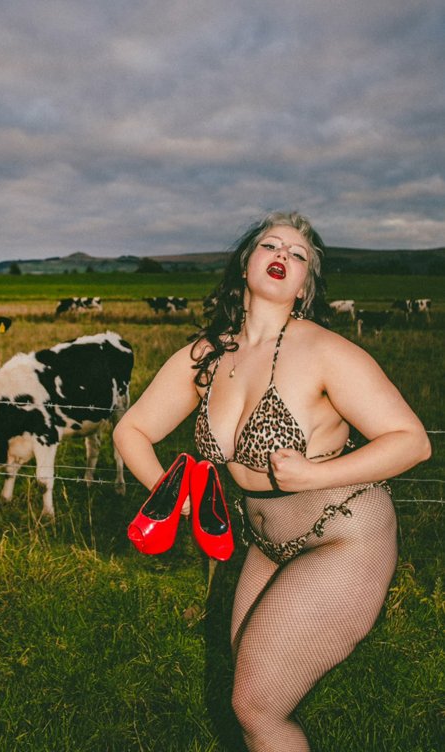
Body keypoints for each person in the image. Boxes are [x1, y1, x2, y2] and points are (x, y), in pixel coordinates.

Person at [113, 211, 431, 751]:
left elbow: (411, 440)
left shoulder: (325, 351)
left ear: (305, 286)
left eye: (298, 254)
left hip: (343, 536)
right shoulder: (208, 354)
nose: (283, 254)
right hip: (266, 543)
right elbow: (132, 430)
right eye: (270, 245)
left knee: (256, 705)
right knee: (250, 696)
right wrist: (179, 501)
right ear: (246, 265)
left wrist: (317, 472)